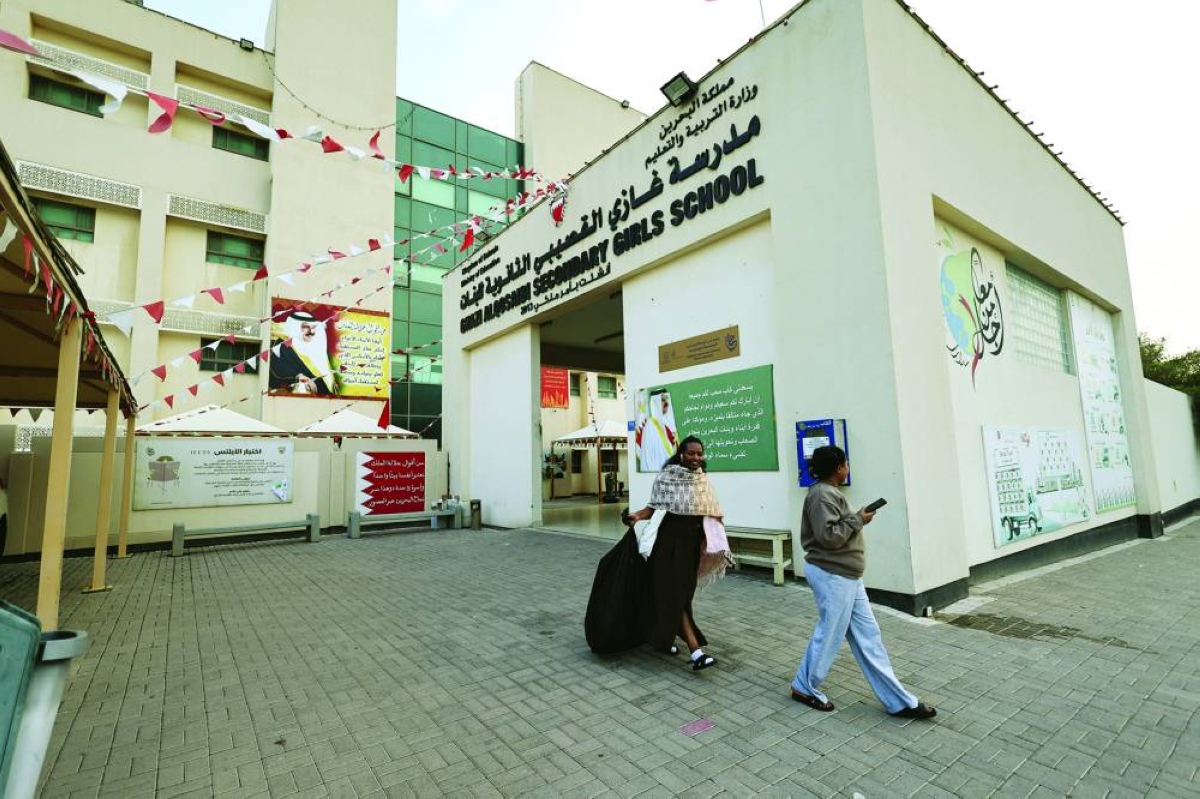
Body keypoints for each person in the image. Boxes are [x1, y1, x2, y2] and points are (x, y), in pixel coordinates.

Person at [790, 445, 936, 719]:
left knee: (869, 636)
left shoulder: (830, 493)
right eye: (846, 463)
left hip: (847, 576)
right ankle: (804, 686)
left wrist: (856, 518)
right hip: (833, 575)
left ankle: (898, 700)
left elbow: (835, 528)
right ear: (838, 468)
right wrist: (859, 519)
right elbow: (829, 537)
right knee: (830, 634)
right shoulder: (821, 495)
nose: (848, 468)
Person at [625, 436, 731, 671]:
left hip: (691, 548)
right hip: (667, 546)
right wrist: (636, 516)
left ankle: (662, 639)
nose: (696, 457)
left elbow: (710, 511)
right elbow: (653, 507)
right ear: (681, 454)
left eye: (699, 453)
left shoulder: (702, 479)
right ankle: (696, 652)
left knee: (682, 596)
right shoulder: (667, 477)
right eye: (691, 453)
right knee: (674, 596)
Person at [269, 311, 337, 395]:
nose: (311, 331)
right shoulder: (284, 345)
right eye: (305, 327)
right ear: (295, 327)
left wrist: (315, 385)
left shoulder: (318, 346)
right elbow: (277, 366)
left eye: (313, 327)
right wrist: (298, 376)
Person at [636, 389, 678, 473]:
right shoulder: (650, 425)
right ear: (655, 402)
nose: (666, 402)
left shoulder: (665, 426)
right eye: (662, 399)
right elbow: (651, 457)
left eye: (666, 399)